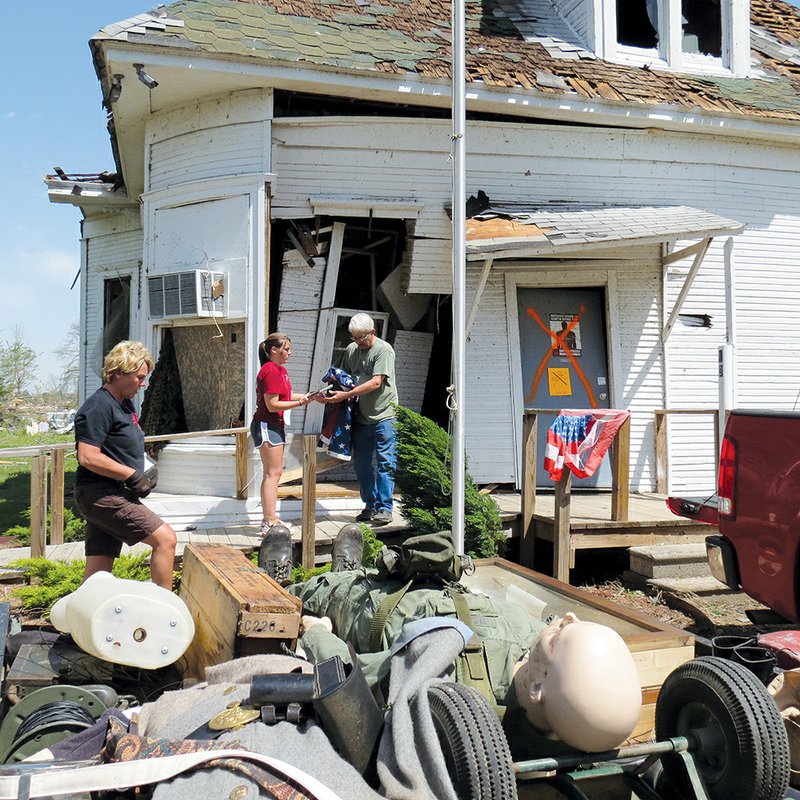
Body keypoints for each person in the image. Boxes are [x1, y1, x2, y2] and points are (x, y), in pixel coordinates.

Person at [268, 527, 642, 753]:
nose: (568, 619)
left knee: (312, 596)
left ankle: (284, 583)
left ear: (538, 689)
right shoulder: (540, 664)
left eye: (561, 638)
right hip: (432, 590)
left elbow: (357, 679)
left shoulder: (453, 680)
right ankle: (344, 574)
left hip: (371, 611)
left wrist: (317, 635)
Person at [73, 340, 176, 590]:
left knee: (98, 571)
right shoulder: (98, 407)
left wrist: (145, 469)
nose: (144, 384)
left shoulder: (123, 404)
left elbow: (120, 446)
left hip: (110, 492)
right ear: (119, 372)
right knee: (166, 540)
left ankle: (79, 621)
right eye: (140, 377)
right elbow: (87, 456)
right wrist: (130, 474)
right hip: (102, 495)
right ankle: (165, 610)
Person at [317, 313, 398, 526]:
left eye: (362, 337)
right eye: (354, 338)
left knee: (385, 462)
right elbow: (339, 376)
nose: (358, 342)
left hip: (384, 416)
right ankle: (370, 505)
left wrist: (346, 395)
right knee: (361, 464)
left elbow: (376, 382)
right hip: (360, 417)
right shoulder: (352, 350)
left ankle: (385, 508)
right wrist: (328, 395)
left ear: (372, 332)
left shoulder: (383, 350)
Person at [251, 333, 313, 534]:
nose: (290, 353)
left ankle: (269, 519)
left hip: (274, 425)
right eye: (286, 349)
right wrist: (300, 403)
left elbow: (284, 396)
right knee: (273, 473)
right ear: (273, 351)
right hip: (266, 424)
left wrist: (308, 397)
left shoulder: (280, 370)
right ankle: (270, 521)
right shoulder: (270, 370)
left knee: (272, 473)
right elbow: (272, 404)